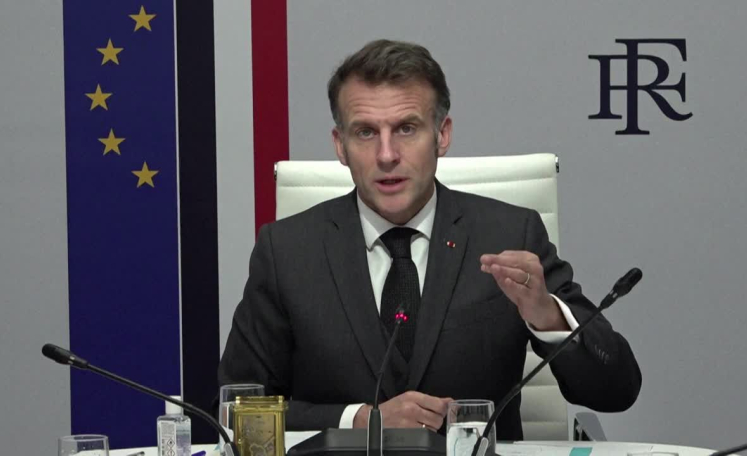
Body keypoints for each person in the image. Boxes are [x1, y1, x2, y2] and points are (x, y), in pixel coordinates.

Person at [218, 39, 641, 440]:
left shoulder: (511, 234)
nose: (387, 155)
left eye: (406, 128)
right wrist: (359, 420)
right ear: (340, 146)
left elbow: (617, 390)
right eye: (365, 132)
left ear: (442, 135)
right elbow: (235, 410)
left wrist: (548, 316)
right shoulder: (287, 251)